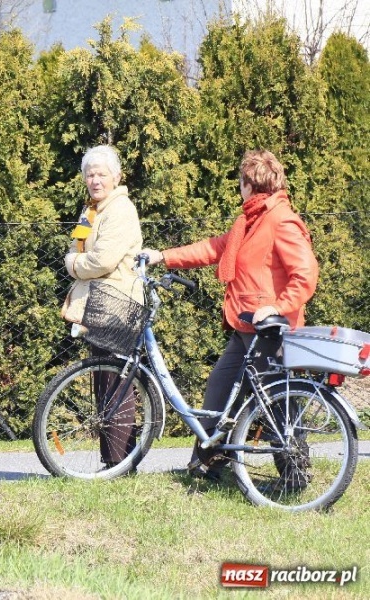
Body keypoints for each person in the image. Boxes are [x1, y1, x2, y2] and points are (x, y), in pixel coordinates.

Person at [144, 149, 318, 481]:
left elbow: (306, 274)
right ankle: (206, 462)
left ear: (251, 185)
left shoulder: (281, 220)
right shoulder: (249, 222)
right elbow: (213, 248)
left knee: (276, 404)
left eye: (241, 182)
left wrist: (278, 307)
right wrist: (163, 256)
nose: (239, 188)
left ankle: (295, 475)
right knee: (221, 386)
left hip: (272, 330)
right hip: (246, 327)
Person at [62, 144, 144, 471]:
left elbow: (102, 260)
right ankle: (114, 461)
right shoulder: (92, 210)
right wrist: (78, 260)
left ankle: (119, 462)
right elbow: (77, 247)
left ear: (117, 177)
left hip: (118, 303)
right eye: (90, 174)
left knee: (116, 383)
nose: (95, 180)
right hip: (98, 301)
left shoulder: (119, 209)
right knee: (104, 380)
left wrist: (73, 264)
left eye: (102, 174)